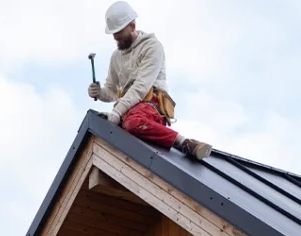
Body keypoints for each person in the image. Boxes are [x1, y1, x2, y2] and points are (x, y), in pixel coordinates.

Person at [88, 1, 213, 161]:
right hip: (127, 109)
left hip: (150, 106)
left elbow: (141, 87)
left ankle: (184, 142)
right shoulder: (116, 57)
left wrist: (118, 111)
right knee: (105, 129)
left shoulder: (152, 48)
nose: (116, 37)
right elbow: (112, 91)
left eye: (119, 31)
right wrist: (99, 92)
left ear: (132, 26)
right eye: (113, 33)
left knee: (133, 123)